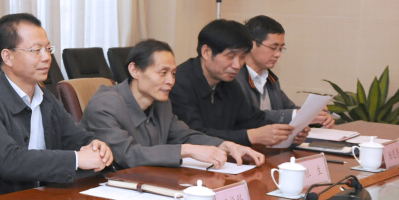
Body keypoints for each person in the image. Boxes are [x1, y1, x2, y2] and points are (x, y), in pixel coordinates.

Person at [0, 13, 113, 193]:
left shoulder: (45, 98)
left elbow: (76, 137)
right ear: (8, 57)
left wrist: (96, 145)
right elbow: (10, 161)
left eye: (48, 49)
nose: (47, 57)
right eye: (36, 50)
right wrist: (77, 159)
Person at [82, 39, 264, 169]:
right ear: (135, 70)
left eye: (174, 73)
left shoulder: (161, 104)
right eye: (163, 73)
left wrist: (225, 145)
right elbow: (127, 155)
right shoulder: (105, 105)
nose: (170, 81)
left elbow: (185, 136)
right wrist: (186, 151)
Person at [170, 20, 302, 147]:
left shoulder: (228, 83)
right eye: (230, 57)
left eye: (242, 57)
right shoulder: (179, 82)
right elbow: (193, 135)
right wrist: (250, 136)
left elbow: (251, 119)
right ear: (206, 52)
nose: (237, 65)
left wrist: (286, 132)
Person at [238, 15, 335, 127]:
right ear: (251, 45)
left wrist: (316, 116)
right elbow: (249, 117)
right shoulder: (235, 80)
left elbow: (289, 109)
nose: (278, 54)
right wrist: (295, 114)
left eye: (281, 48)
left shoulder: (270, 79)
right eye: (273, 48)